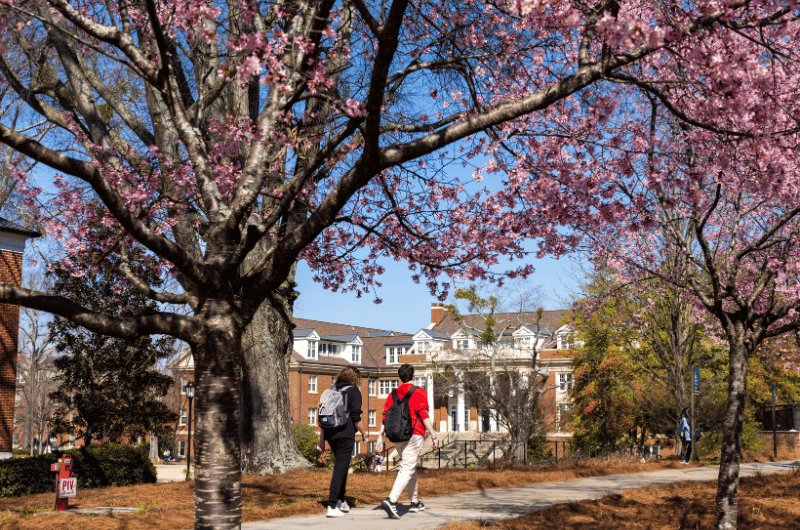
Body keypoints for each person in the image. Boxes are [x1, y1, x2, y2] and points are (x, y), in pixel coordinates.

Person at [376, 363, 438, 519]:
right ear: (413, 376)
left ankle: (415, 502)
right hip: (413, 433)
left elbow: (385, 417)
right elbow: (423, 414)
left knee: (410, 468)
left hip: (396, 436)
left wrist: (379, 438)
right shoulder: (419, 392)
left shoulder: (392, 394)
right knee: (407, 467)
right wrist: (434, 435)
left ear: (400, 377)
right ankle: (391, 500)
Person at [317, 366, 368, 518]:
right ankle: (332, 506)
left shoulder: (330, 391)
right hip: (345, 433)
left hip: (330, 433)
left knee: (342, 466)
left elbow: (322, 417)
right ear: (355, 379)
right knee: (340, 468)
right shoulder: (353, 391)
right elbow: (355, 416)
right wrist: (365, 433)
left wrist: (322, 441)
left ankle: (340, 500)